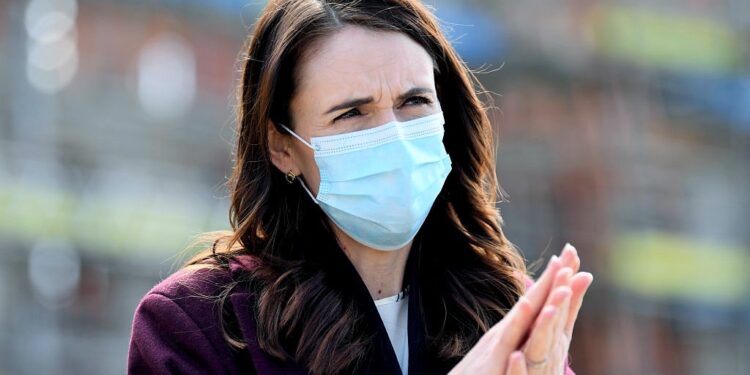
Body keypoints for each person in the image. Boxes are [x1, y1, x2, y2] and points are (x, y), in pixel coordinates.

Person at [127, 0, 594, 374]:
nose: (393, 135)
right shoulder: (200, 325)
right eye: (352, 113)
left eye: (414, 101)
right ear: (282, 146)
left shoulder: (503, 311)